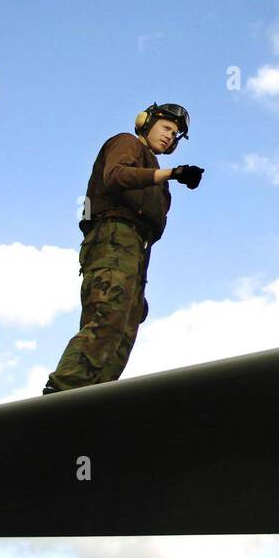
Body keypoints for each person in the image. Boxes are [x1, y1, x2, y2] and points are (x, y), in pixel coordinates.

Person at [43, 102, 204, 394]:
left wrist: (137, 285)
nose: (170, 135)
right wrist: (172, 173)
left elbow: (149, 233)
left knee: (122, 337)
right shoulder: (127, 143)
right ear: (146, 122)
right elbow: (116, 176)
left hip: (135, 256)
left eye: (175, 134)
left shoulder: (158, 182)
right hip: (112, 238)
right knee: (107, 319)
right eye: (166, 127)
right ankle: (62, 393)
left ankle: (91, 400)